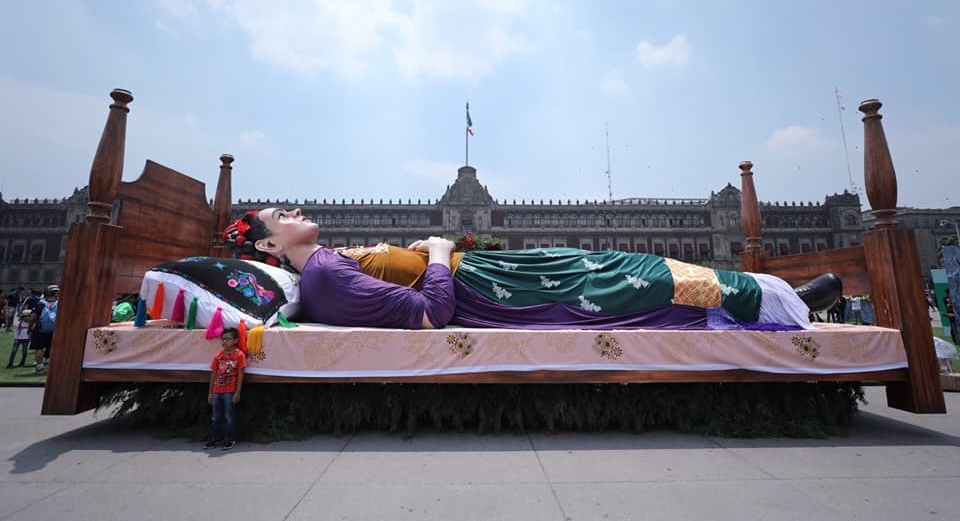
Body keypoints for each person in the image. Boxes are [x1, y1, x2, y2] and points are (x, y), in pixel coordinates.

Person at [222, 208, 839, 331]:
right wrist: (437, 254)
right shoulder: (325, 280)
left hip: (499, 270)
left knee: (622, 261)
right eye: (282, 214)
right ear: (271, 249)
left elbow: (399, 282)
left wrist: (418, 251)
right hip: (493, 291)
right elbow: (429, 314)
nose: (297, 210)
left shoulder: (330, 263)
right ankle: (775, 304)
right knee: (629, 283)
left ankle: (762, 293)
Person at [205, 327, 245, 451]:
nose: (224, 342)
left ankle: (229, 439)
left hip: (229, 391)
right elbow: (213, 373)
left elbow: (241, 374)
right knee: (216, 417)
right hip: (217, 391)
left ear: (235, 340)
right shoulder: (218, 356)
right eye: (222, 339)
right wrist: (210, 392)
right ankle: (216, 438)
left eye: (227, 339)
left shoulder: (239, 355)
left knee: (229, 416)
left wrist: (237, 392)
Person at [29, 287, 57, 374]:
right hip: (54, 330)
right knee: (53, 349)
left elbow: (33, 317)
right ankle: (52, 368)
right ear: (54, 295)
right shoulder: (59, 303)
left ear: (44, 296)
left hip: (40, 329)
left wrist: (30, 328)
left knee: (39, 348)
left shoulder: (40, 304)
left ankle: (40, 368)